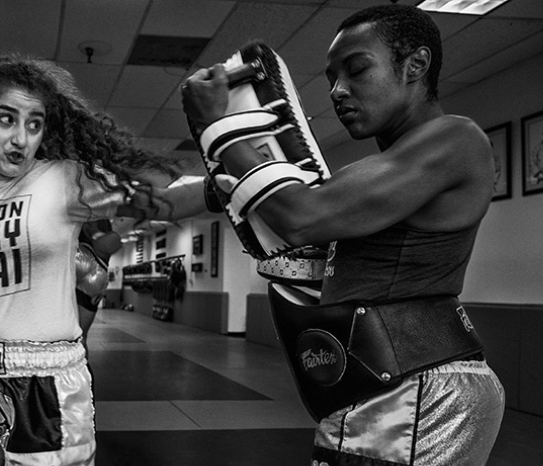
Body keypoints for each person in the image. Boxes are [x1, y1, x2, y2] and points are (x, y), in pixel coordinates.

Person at [182, 4, 504, 466]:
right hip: (391, 387)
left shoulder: (455, 138)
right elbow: (292, 221)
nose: (338, 90)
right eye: (332, 77)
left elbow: (301, 216)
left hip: (416, 393)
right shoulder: (373, 172)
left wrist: (221, 127)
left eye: (356, 70)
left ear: (415, 65)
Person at [0, 54, 206, 466]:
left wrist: (234, 184)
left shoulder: (62, 179)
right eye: (6, 119)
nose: (21, 138)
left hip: (45, 384)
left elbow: (159, 201)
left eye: (34, 124)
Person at [75, 219, 122, 349]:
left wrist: (92, 230)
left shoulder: (102, 242)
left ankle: (81, 366)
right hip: (86, 279)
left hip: (91, 278)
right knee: (76, 339)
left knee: (79, 339)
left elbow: (115, 240)